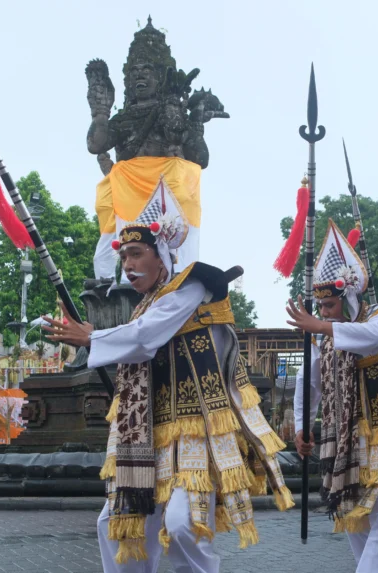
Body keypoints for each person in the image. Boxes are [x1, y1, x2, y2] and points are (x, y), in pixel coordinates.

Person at [44, 182, 293, 573]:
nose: (127, 264)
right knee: (115, 523)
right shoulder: (144, 304)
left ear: (162, 255)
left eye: (137, 254)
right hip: (148, 433)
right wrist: (97, 336)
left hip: (198, 428)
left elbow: (145, 338)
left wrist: (92, 337)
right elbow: (137, 341)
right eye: (123, 255)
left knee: (181, 524)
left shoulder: (191, 286)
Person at [290, 220, 378, 573]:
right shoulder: (322, 336)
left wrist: (325, 327)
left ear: (350, 296)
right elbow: (307, 380)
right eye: (321, 306)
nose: (323, 312)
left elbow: (375, 339)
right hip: (344, 438)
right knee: (356, 518)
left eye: (329, 304)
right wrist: (302, 426)